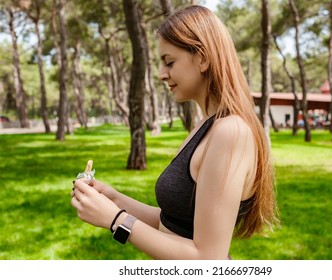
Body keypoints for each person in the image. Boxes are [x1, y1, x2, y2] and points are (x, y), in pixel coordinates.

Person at [71, 5, 278, 260]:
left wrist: (116, 220)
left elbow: (208, 258)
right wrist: (114, 199)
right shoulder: (206, 128)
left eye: (169, 62)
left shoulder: (230, 132)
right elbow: (173, 222)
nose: (161, 74)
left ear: (202, 58)